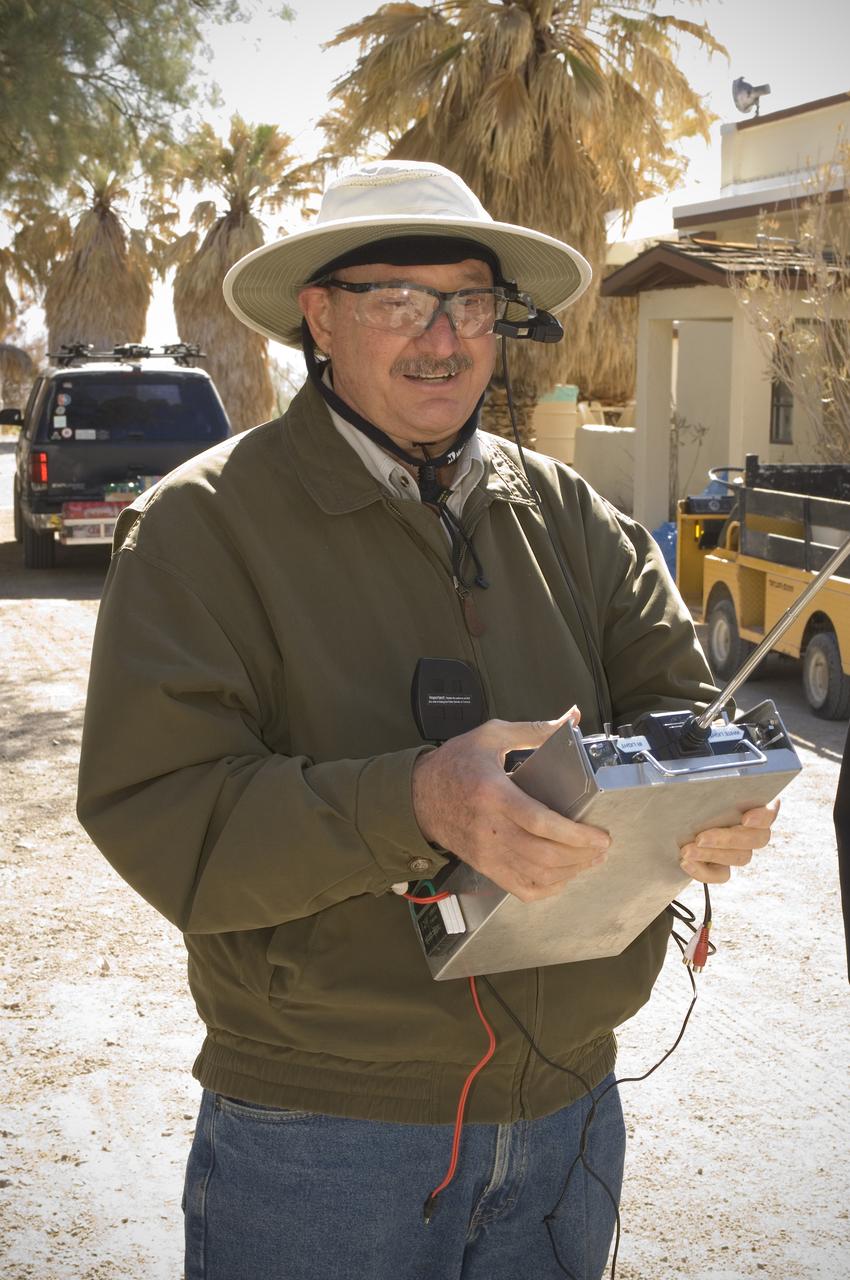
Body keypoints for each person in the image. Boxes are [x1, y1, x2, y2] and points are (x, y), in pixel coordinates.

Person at [77, 160, 778, 1280]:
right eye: (400, 300)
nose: (443, 338)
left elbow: (682, 708)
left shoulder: (575, 518)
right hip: (322, 1132)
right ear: (320, 317)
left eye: (471, 303)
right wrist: (416, 801)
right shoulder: (199, 530)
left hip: (569, 1110)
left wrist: (705, 798)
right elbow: (163, 811)